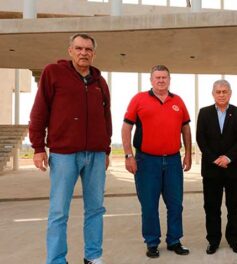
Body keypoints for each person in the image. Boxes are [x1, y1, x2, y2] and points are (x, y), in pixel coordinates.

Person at [29, 33, 112, 264]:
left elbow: (106, 118)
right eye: (79, 48)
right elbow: (39, 111)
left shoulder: (100, 82)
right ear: (70, 51)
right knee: (58, 211)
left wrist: (105, 149)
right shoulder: (53, 73)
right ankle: (56, 260)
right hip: (64, 154)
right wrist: (37, 147)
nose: (83, 52)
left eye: (88, 49)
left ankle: (93, 257)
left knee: (96, 209)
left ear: (93, 53)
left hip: (95, 154)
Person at [122, 64, 192, 259]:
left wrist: (188, 154)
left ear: (169, 80)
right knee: (149, 205)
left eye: (164, 77)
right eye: (157, 77)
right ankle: (152, 242)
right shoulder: (139, 99)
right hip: (146, 161)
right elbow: (126, 128)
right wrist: (129, 155)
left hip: (172, 161)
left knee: (176, 204)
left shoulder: (178, 101)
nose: (161, 80)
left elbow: (185, 129)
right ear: (151, 80)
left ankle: (174, 240)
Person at [196, 80, 237, 255]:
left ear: (230, 93)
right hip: (211, 169)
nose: (222, 94)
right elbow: (201, 139)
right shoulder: (204, 113)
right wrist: (215, 159)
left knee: (234, 206)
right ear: (213, 94)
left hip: (233, 169)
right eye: (218, 91)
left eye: (225, 91)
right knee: (211, 207)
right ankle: (213, 241)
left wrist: (228, 157)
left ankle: (234, 240)